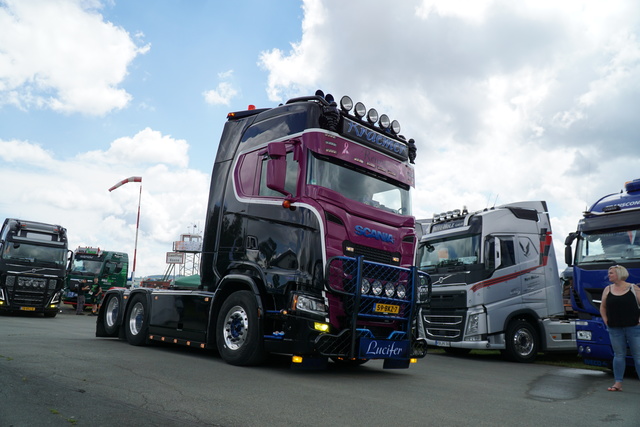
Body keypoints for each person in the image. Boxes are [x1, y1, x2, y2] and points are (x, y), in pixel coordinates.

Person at [600, 265, 640, 391]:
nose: (609, 275)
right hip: (614, 328)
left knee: (638, 356)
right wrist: (605, 320)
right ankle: (618, 383)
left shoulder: (634, 288)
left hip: (633, 327)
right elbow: (603, 306)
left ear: (619, 274)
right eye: (609, 273)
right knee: (618, 355)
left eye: (611, 273)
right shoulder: (607, 289)